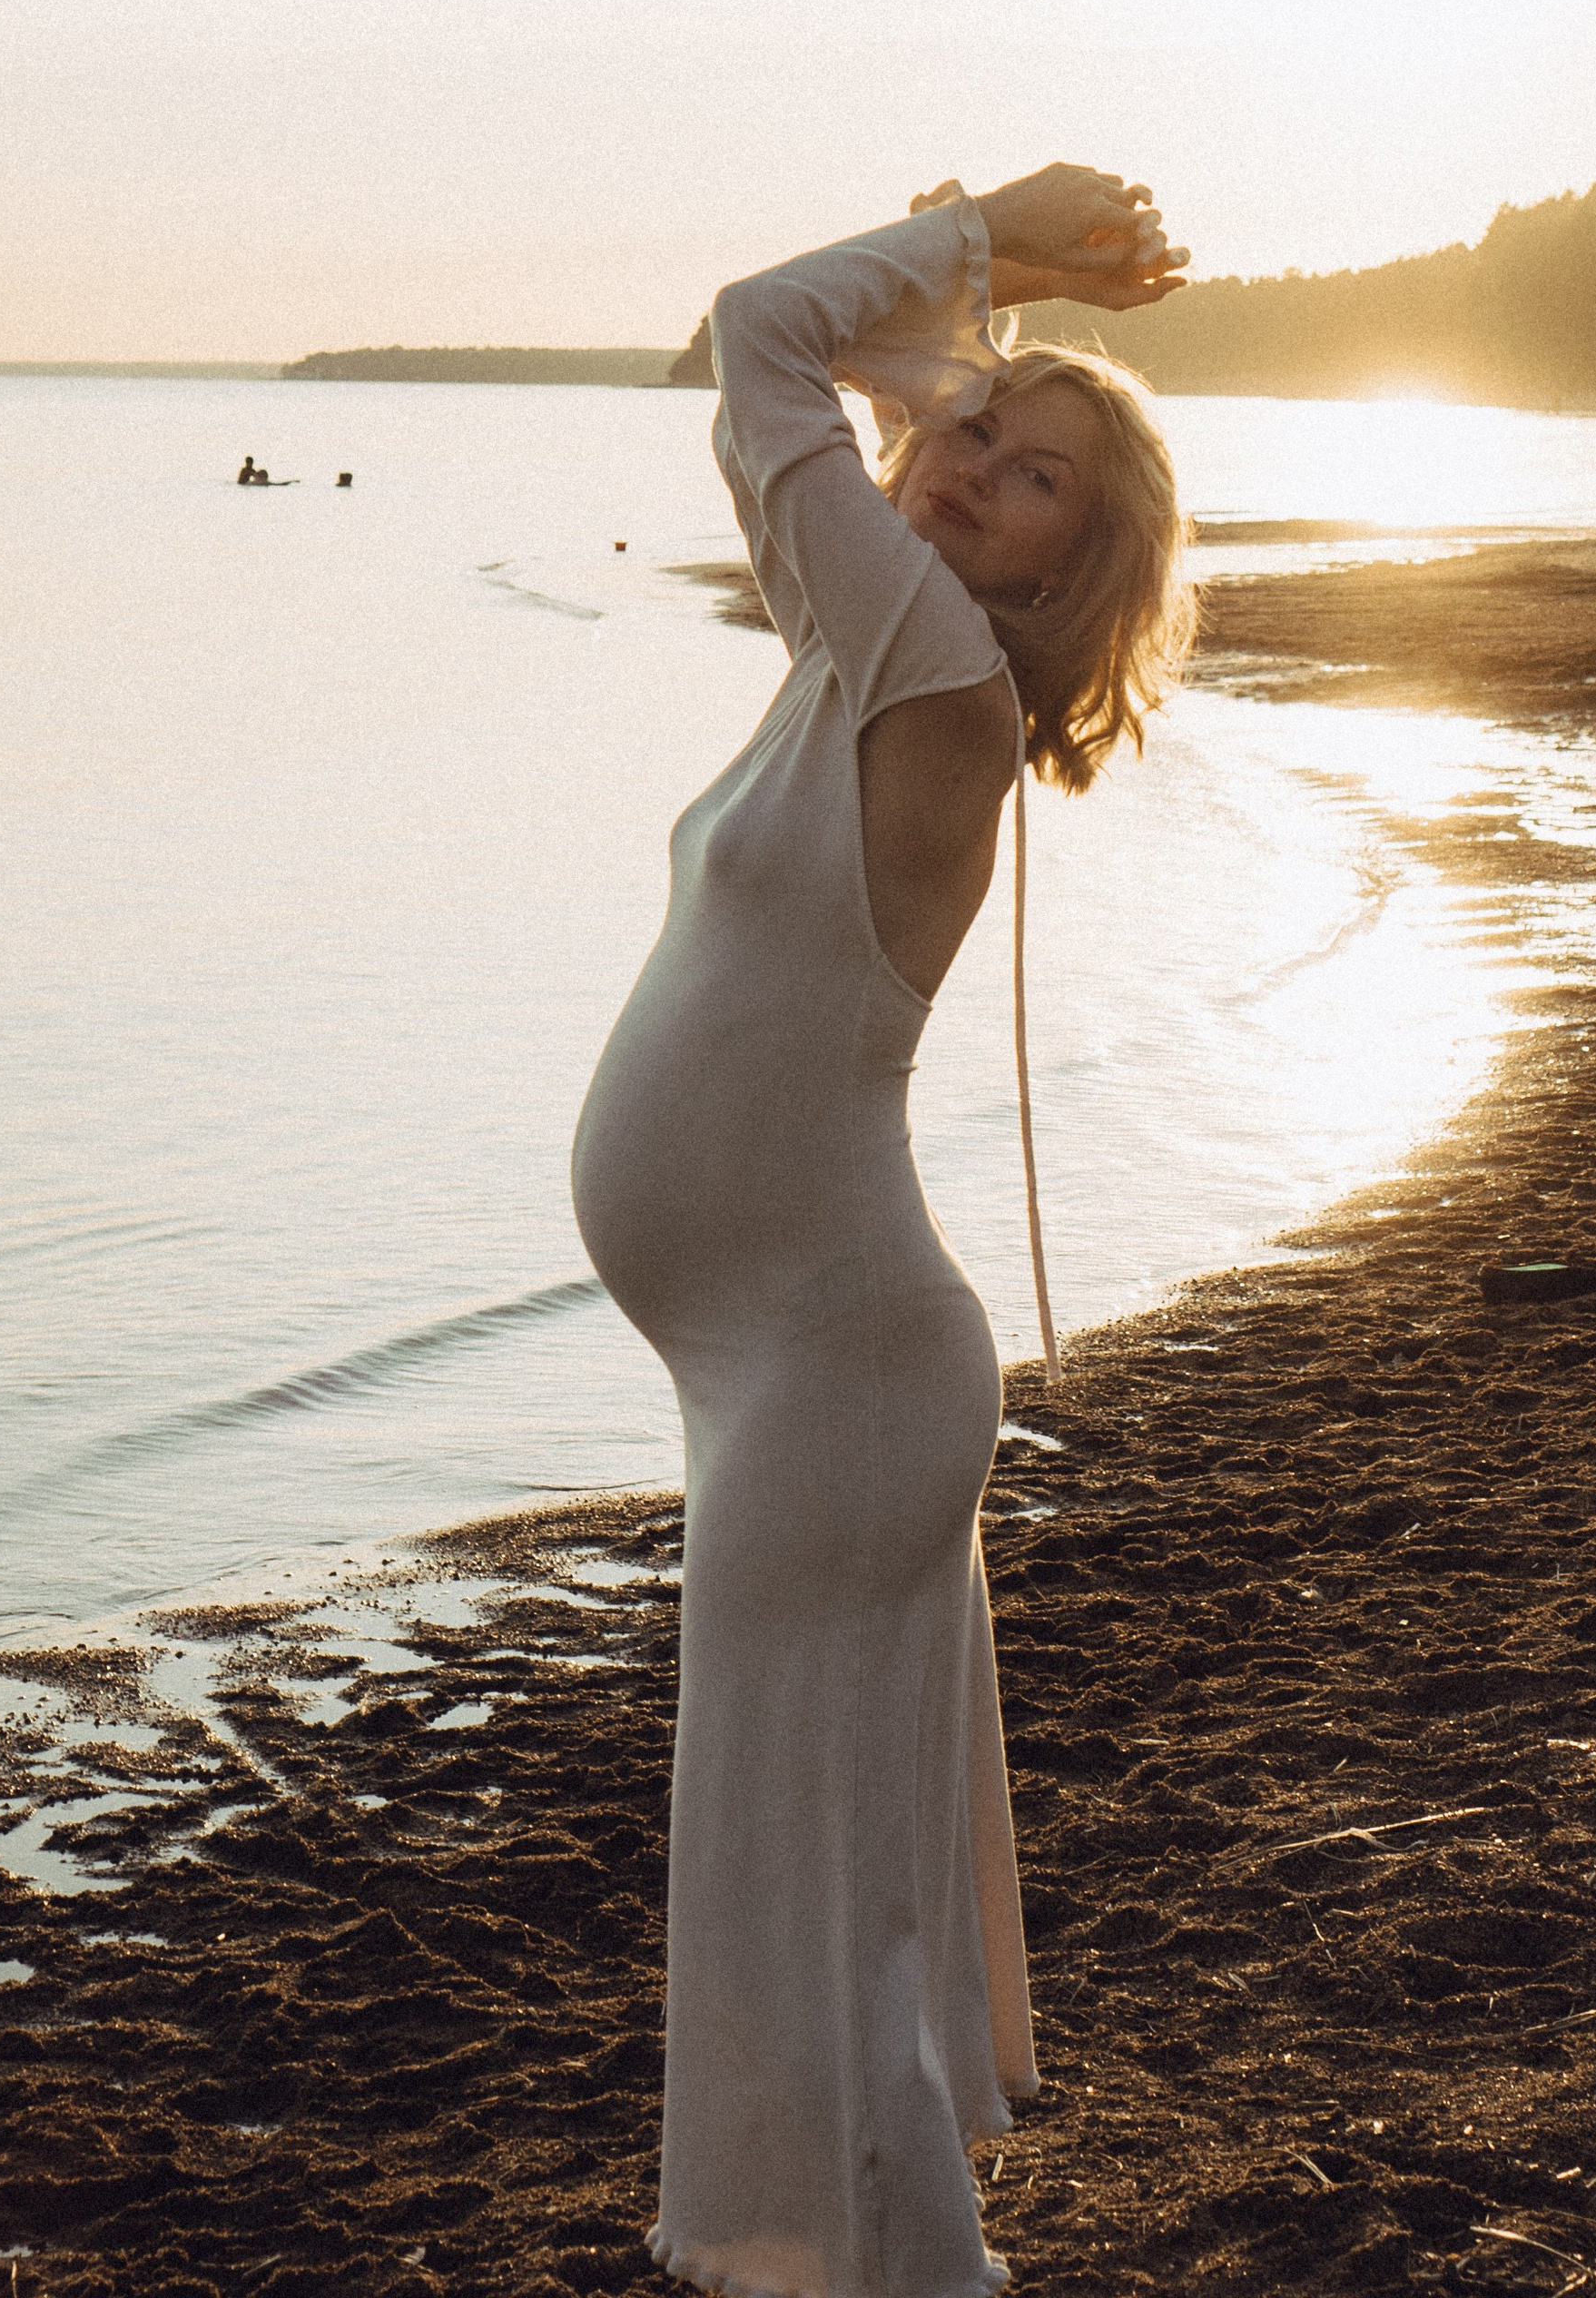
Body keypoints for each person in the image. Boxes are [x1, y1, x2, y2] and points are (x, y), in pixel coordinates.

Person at [570, 163, 1194, 2298]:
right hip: (799, 1363)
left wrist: (984, 234)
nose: (972, 479)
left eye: (1031, 489)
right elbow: (848, 400)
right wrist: (986, 334)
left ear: (1060, 570)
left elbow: (756, 333)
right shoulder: (873, 647)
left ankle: (877, 2271)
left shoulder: (916, 648)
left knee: (798, 1895)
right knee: (815, 1890)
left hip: (834, 1376)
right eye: (971, 438)